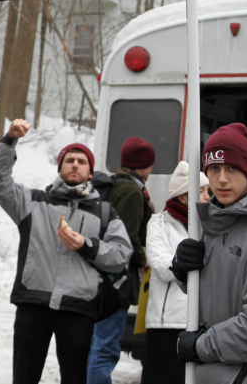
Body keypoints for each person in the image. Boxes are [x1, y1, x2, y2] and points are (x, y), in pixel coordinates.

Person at [0, 119, 132, 384]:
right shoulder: (33, 202)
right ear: (60, 168)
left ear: (90, 173)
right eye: (69, 160)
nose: (75, 164)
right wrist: (9, 140)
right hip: (34, 305)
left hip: (78, 309)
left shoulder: (105, 213)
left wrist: (86, 245)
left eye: (82, 161)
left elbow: (121, 256)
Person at [170, 122, 247, 383]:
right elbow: (218, 296)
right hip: (212, 373)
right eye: (214, 168)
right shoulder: (211, 222)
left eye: (232, 168)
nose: (222, 179)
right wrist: (184, 272)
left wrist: (200, 346)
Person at [87, 137, 154, 384]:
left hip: (100, 276)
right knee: (105, 348)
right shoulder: (131, 192)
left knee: (96, 344)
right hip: (117, 280)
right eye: (150, 163)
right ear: (142, 164)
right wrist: (143, 258)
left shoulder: (115, 185)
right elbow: (128, 238)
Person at [143, 160, 209, 384]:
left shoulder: (210, 226)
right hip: (168, 324)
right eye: (202, 191)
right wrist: (181, 262)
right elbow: (161, 266)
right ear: (183, 196)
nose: (209, 196)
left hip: (203, 322)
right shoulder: (159, 223)